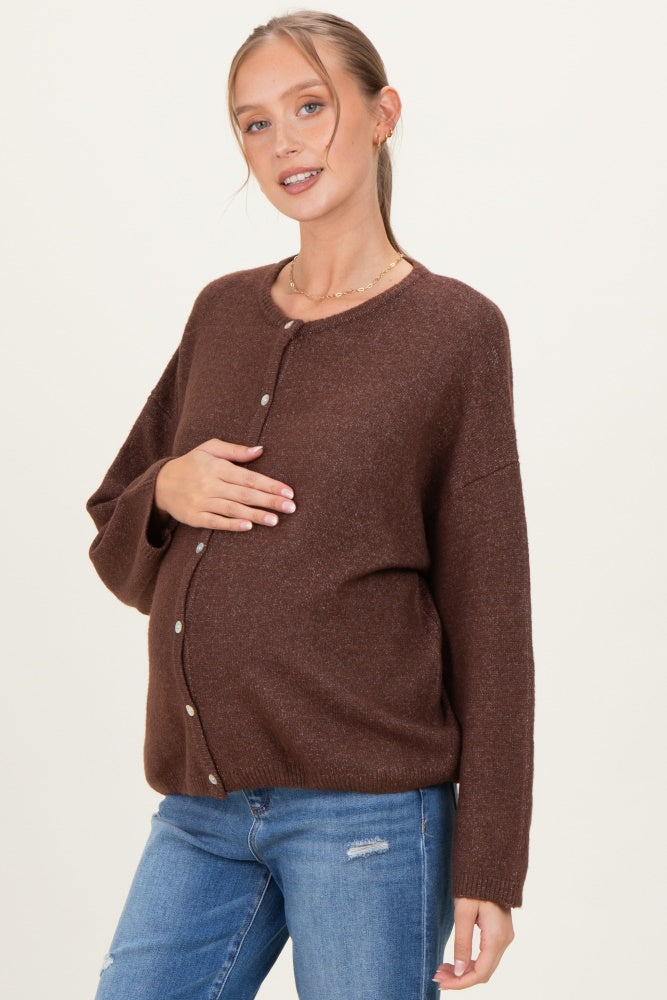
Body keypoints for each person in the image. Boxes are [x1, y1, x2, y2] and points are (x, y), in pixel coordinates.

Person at [85, 10, 535, 999]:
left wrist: (490, 865)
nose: (283, 142)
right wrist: (166, 489)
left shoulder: (454, 332)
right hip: (202, 807)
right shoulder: (221, 312)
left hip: (369, 815)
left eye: (309, 107)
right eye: (254, 123)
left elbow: (492, 613)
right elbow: (115, 532)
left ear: (381, 114)